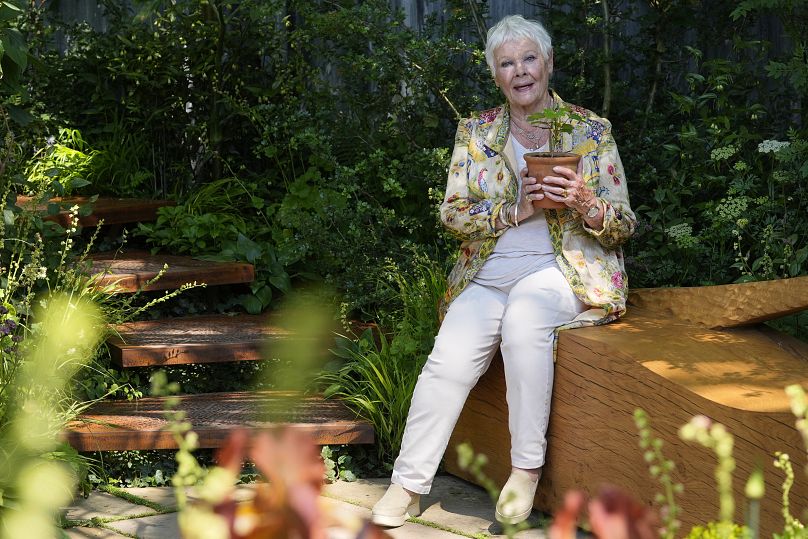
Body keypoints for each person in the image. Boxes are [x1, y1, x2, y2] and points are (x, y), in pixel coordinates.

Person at [371, 14, 636, 527]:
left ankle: (525, 471)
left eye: (529, 58)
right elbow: (452, 213)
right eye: (507, 63)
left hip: (565, 270)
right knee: (446, 360)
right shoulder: (475, 133)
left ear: (549, 63)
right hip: (489, 271)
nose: (520, 71)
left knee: (525, 320)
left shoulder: (589, 129)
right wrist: (515, 210)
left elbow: (623, 223)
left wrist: (583, 201)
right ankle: (406, 484)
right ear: (496, 75)